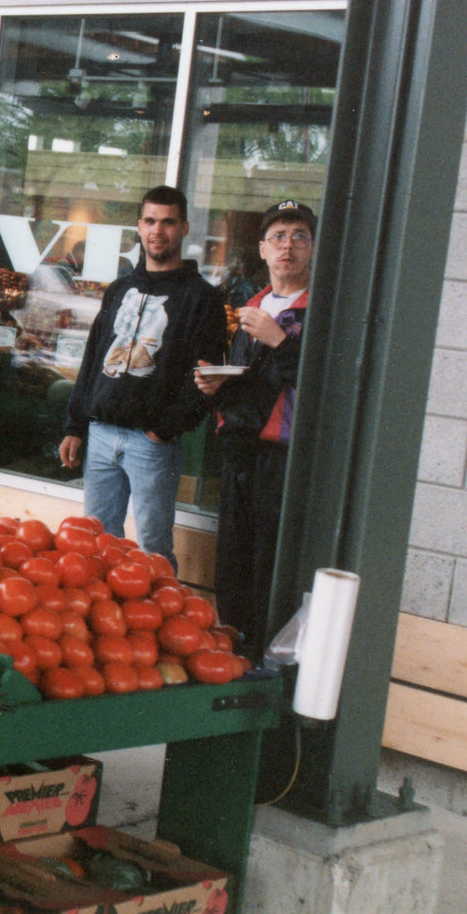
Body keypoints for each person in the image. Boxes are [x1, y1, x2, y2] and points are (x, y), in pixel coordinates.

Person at [58, 185, 227, 568]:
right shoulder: (120, 289)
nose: (158, 230)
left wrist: (163, 429)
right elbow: (92, 361)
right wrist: (75, 425)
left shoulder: (202, 297)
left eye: (168, 222)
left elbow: (207, 376)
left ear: (184, 228)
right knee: (95, 546)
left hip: (152, 446)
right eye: (150, 221)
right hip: (101, 436)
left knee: (154, 552)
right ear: (139, 226)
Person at [195, 199, 314, 657]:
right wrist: (214, 385)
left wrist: (279, 340)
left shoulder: (321, 311)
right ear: (262, 249)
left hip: (283, 458)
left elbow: (322, 383)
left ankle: (262, 659)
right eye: (278, 237)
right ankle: (234, 653)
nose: (288, 246)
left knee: (269, 566)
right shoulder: (250, 306)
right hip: (240, 451)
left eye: (299, 236)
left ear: (313, 248)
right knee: (232, 564)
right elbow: (249, 380)